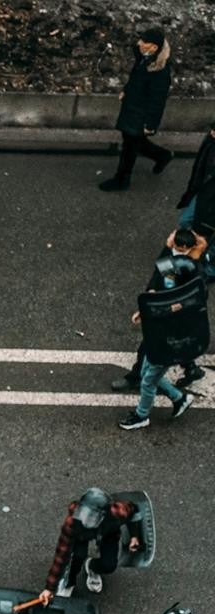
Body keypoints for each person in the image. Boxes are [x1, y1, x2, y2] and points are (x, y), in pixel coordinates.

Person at [118, 234, 203, 430]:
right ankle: (179, 398)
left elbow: (175, 297)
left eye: (181, 249)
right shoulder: (183, 267)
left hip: (171, 335)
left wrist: (161, 308)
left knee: (148, 381)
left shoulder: (189, 272)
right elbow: (157, 283)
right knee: (148, 372)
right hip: (160, 330)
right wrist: (147, 309)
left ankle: (142, 415)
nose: (177, 252)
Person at [37, 488, 143, 605]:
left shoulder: (119, 512)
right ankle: (69, 582)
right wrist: (50, 588)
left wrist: (134, 536)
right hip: (81, 535)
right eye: (84, 514)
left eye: (91, 517)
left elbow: (135, 511)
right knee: (77, 558)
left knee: (109, 565)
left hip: (108, 532)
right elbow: (61, 555)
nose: (85, 521)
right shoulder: (74, 522)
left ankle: (92, 566)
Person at [100, 28, 173, 192]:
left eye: (144, 41)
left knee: (130, 147)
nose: (139, 43)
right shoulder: (144, 57)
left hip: (140, 113)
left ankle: (122, 180)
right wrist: (126, 90)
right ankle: (162, 156)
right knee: (135, 142)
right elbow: (135, 77)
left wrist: (151, 124)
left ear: (153, 47)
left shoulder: (161, 72)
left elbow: (157, 100)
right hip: (132, 106)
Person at [177, 122, 215, 234]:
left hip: (210, 198)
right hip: (203, 192)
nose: (212, 133)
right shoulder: (210, 142)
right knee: (185, 220)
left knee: (191, 222)